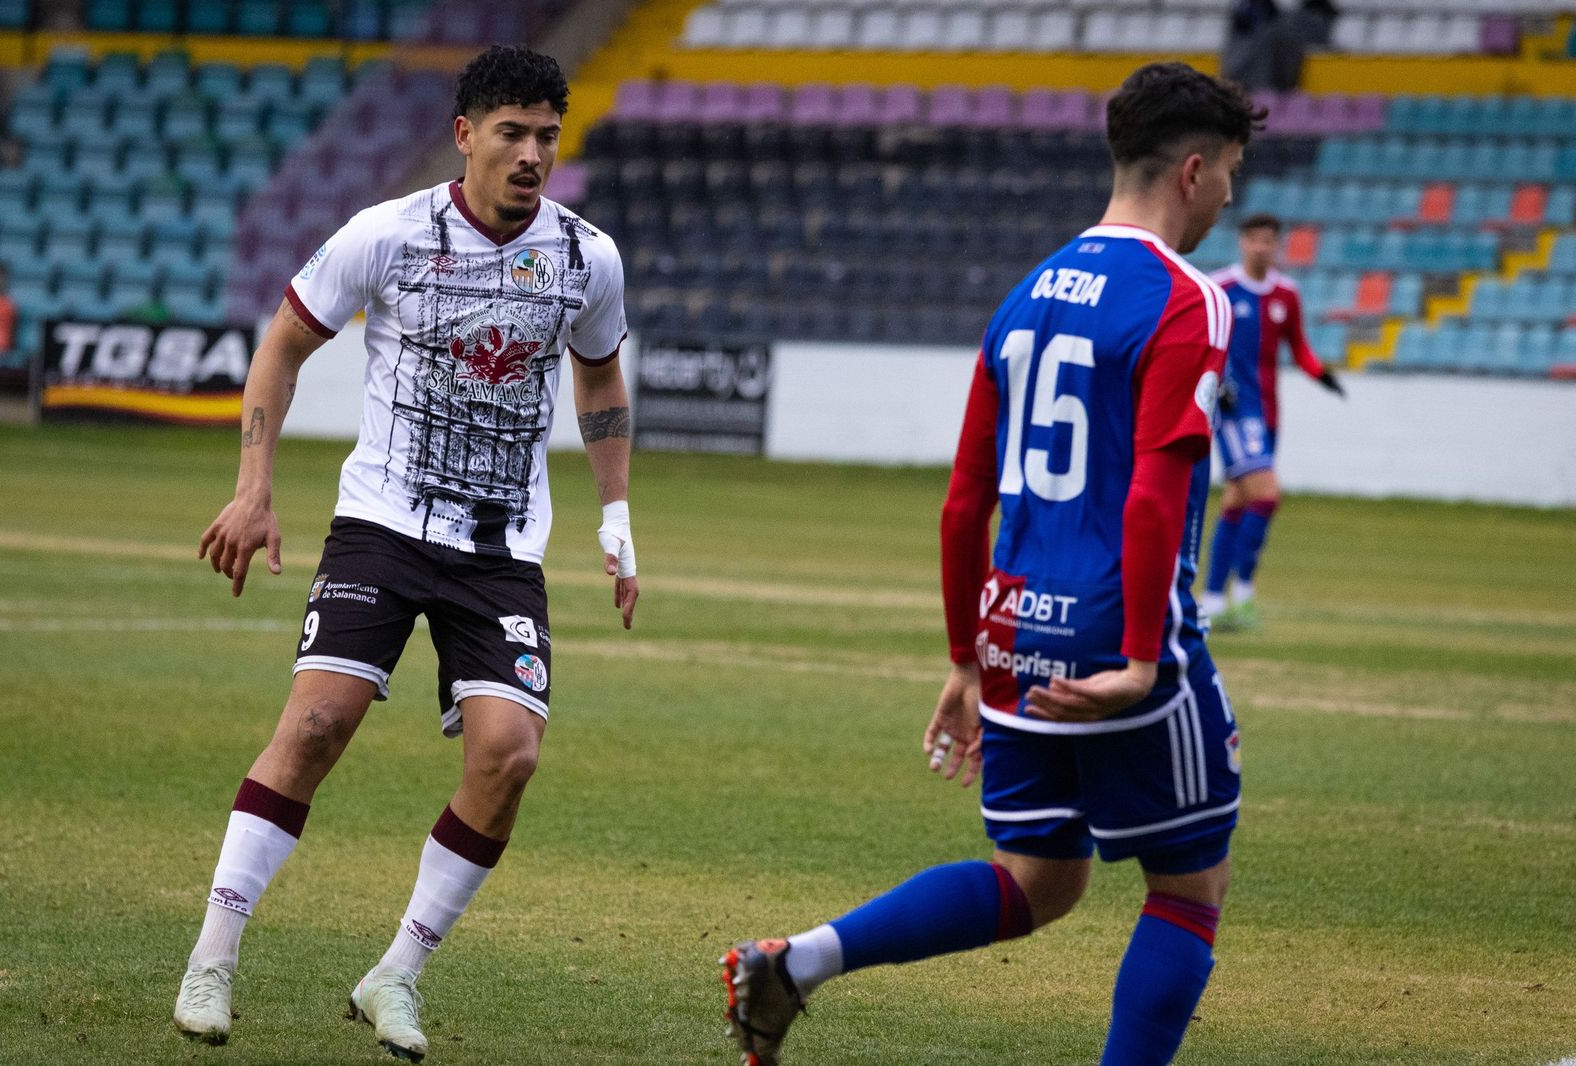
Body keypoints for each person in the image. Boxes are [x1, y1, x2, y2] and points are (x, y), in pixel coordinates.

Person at [721, 62, 1262, 1066]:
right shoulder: (1189, 301)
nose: (1228, 195)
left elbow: (965, 496)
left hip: (1015, 628)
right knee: (1189, 888)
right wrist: (1143, 658)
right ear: (1193, 170)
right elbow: (1152, 492)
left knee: (1040, 876)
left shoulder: (1025, 297)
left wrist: (969, 656)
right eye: (1228, 172)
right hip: (1118, 638)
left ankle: (797, 962)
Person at [173, 44, 638, 1061]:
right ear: (465, 135)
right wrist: (253, 489)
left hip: (500, 549)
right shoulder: (386, 236)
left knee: (509, 753)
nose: (530, 156)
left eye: (546, 138)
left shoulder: (584, 257)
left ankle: (396, 972)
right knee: (315, 727)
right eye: (510, 133)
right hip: (382, 523)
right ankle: (212, 956)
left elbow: (599, 381)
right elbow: (282, 344)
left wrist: (615, 519)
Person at [1203, 213, 1342, 632]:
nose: (1261, 247)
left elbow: (1299, 347)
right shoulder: (1220, 289)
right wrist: (1214, 381)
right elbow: (1201, 342)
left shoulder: (1287, 294)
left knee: (1237, 503)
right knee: (1267, 496)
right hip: (1234, 412)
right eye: (1254, 240)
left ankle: (1210, 602)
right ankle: (1242, 594)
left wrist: (1322, 375)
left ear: (1277, 245)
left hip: (1267, 415)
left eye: (1269, 240)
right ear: (1242, 243)